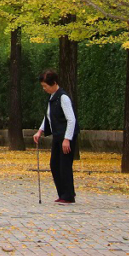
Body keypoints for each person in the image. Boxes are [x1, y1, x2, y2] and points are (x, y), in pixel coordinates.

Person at [33, 68, 79, 204]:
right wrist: (40, 131)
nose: (44, 89)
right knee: (54, 165)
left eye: (45, 86)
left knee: (64, 166)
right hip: (58, 136)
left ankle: (68, 195)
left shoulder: (63, 98)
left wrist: (67, 139)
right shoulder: (52, 98)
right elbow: (48, 117)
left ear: (53, 83)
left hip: (66, 137)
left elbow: (71, 119)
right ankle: (63, 193)